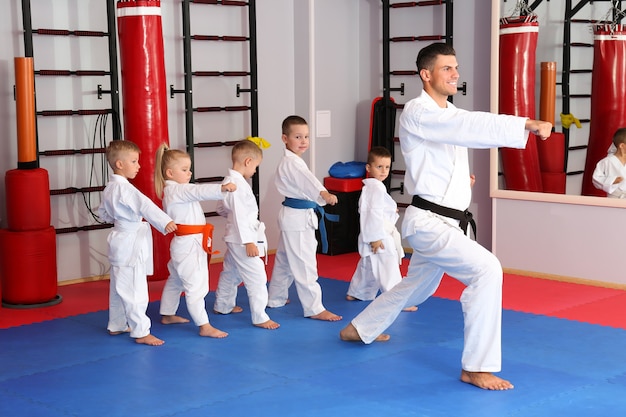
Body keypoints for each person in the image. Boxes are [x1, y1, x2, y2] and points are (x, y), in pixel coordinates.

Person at [339, 43, 553, 390]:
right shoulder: (417, 112)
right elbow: (469, 126)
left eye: (456, 67)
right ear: (426, 75)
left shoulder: (448, 114)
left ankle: (359, 328)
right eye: (446, 68)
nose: (455, 74)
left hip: (449, 220)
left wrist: (460, 183)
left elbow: (448, 147)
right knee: (487, 270)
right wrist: (524, 124)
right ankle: (476, 367)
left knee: (416, 288)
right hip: (428, 223)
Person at [98, 140, 178, 346]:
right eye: (133, 161)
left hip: (120, 239)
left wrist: (118, 219)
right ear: (119, 164)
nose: (138, 165)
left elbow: (103, 213)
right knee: (135, 289)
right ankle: (141, 331)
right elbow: (146, 206)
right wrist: (165, 221)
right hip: (130, 242)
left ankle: (116, 324)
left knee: (118, 287)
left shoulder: (109, 188)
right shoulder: (126, 189)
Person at [154, 144, 236, 338]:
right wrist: (222, 188)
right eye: (184, 170)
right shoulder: (178, 191)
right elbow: (200, 191)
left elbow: (195, 192)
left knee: (175, 280)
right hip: (189, 245)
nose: (189, 173)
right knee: (196, 285)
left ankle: (167, 313)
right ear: (170, 173)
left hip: (185, 243)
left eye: (189, 169)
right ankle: (204, 325)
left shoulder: (175, 191)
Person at [267, 115, 342, 321]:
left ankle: (275, 297)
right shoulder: (294, 164)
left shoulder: (292, 161)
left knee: (284, 260)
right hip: (297, 219)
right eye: (297, 137)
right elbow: (310, 181)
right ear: (284, 139)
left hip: (294, 216)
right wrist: (324, 194)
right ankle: (314, 308)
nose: (303, 141)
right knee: (305, 264)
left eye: (306, 137)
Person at [213, 140, 280, 330]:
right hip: (242, 239)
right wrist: (249, 242)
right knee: (257, 276)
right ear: (248, 161)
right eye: (256, 167)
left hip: (235, 236)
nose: (255, 171)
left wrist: (232, 217)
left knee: (231, 272)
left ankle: (223, 305)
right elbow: (240, 216)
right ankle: (260, 317)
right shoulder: (236, 184)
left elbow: (221, 208)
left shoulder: (229, 181)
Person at [346, 146, 417, 312]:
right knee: (388, 265)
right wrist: (375, 237)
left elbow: (376, 210)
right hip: (379, 235)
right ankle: (396, 300)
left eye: (387, 167)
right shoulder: (376, 188)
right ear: (368, 168)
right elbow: (372, 213)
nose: (384, 171)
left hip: (376, 232)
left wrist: (391, 211)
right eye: (379, 167)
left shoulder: (373, 187)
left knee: (369, 265)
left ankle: (358, 292)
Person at [592, 127, 626, 198]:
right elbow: (596, 178)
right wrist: (612, 180)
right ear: (622, 146)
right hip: (614, 198)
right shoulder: (607, 161)